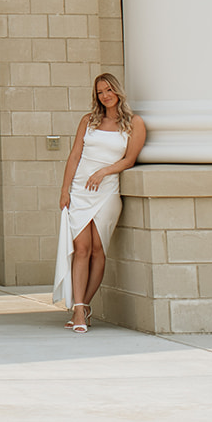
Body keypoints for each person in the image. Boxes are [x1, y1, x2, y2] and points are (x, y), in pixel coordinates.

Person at [52, 71, 145, 333]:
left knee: (97, 250)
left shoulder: (134, 123)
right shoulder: (88, 120)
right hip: (81, 190)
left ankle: (84, 306)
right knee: (81, 248)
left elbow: (129, 160)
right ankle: (79, 310)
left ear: (117, 92)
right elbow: (74, 156)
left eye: (108, 90)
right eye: (100, 92)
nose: (105, 96)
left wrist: (103, 172)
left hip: (106, 191)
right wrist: (64, 190)